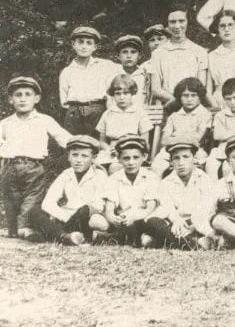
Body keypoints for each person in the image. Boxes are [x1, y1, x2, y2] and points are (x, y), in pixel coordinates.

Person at [1, 76, 73, 241]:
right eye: (18, 95)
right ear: (10, 99)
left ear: (37, 99)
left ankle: (25, 229)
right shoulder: (5, 123)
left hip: (34, 167)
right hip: (9, 166)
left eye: (28, 94)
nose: (23, 99)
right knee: (11, 199)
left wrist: (83, 144)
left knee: (32, 200)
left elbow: (63, 138)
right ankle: (13, 230)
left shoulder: (44, 120)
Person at [30, 135, 106, 245]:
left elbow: (99, 206)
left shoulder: (99, 175)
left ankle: (55, 234)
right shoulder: (66, 174)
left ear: (93, 158)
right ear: (68, 156)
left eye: (84, 156)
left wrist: (74, 215)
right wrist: (64, 216)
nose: (78, 160)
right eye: (74, 155)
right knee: (34, 211)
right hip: (66, 215)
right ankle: (65, 236)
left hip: (85, 218)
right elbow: (48, 202)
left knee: (86, 210)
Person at [142, 140, 215, 249]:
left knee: (148, 240)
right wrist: (177, 221)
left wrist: (192, 227)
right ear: (171, 162)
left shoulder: (204, 179)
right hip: (174, 223)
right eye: (176, 158)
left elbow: (206, 209)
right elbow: (168, 207)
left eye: (186, 157)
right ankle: (192, 244)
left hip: (196, 224)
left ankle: (168, 241)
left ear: (194, 159)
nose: (181, 163)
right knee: (152, 221)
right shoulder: (166, 182)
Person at [89, 135, 159, 246]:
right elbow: (109, 208)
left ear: (144, 157)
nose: (131, 162)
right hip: (124, 218)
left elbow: (150, 208)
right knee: (96, 220)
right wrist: (113, 218)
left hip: (143, 217)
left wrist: (136, 216)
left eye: (136, 157)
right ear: (119, 159)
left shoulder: (151, 177)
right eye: (126, 158)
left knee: (149, 228)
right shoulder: (114, 178)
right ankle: (121, 236)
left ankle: (130, 238)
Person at [59, 26, 122, 136]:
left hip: (97, 111)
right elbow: (64, 100)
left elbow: (126, 71)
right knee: (73, 145)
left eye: (89, 43)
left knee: (98, 145)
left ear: (95, 47)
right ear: (73, 44)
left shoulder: (105, 65)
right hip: (74, 113)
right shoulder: (67, 71)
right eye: (80, 42)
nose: (84, 46)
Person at [149, 6, 210, 106]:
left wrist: (188, 102)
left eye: (181, 21)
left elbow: (201, 86)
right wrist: (178, 102)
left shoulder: (199, 51)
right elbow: (156, 89)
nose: (177, 26)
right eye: (172, 22)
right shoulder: (158, 54)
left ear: (187, 22)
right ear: (167, 25)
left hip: (194, 107)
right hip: (168, 107)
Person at [155, 77, 212, 174]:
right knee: (157, 165)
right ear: (179, 97)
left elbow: (197, 139)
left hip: (195, 151)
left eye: (193, 95)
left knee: (199, 164)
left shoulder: (205, 114)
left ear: (200, 97)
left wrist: (175, 137)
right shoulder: (174, 116)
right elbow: (164, 141)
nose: (189, 99)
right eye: (185, 95)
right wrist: (187, 137)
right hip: (171, 151)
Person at [96, 74, 152, 173]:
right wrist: (109, 148)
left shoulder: (139, 112)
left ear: (132, 94)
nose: (122, 97)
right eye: (118, 94)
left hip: (132, 150)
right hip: (112, 151)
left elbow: (144, 140)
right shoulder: (108, 114)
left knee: (115, 168)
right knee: (97, 168)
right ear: (113, 95)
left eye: (126, 93)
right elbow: (102, 141)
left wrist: (134, 149)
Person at [114, 34, 148, 107]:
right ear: (118, 56)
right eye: (125, 52)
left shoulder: (146, 75)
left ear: (139, 56)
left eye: (133, 52)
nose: (129, 56)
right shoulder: (113, 74)